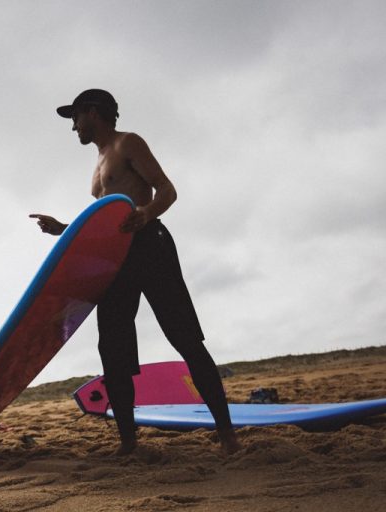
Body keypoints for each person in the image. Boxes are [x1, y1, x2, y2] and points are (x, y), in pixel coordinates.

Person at [30, 89, 241, 456]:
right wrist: (63, 228)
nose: (73, 126)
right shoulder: (97, 164)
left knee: (184, 337)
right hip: (115, 257)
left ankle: (226, 434)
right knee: (112, 348)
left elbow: (167, 190)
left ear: (93, 113)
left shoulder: (128, 143)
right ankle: (129, 444)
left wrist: (147, 213)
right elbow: (103, 222)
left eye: (76, 118)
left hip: (149, 246)